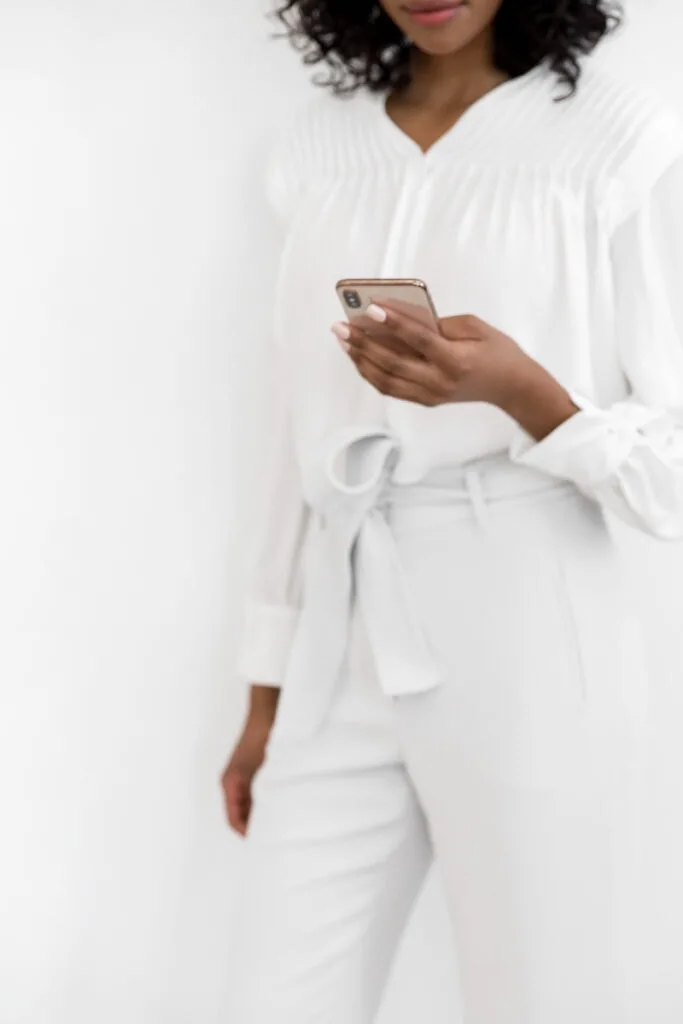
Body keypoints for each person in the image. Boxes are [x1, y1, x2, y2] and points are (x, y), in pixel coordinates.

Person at [222, 1, 683, 1021]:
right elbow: (290, 421)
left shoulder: (616, 140)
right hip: (345, 628)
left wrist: (524, 390)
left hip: (527, 613)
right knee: (271, 993)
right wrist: (266, 687)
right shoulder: (316, 148)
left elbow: (667, 471)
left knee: (536, 996)